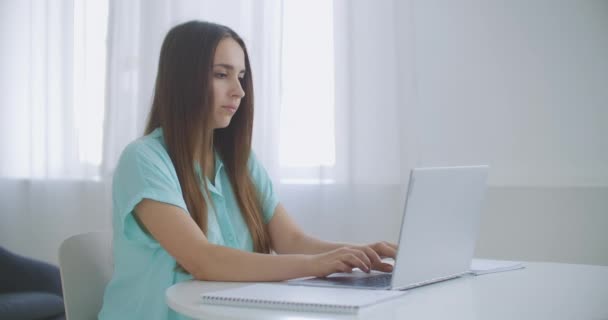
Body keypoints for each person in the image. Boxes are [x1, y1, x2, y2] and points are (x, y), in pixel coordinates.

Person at [98, 20, 397, 320]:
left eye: (241, 76)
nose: (239, 91)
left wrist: (362, 253)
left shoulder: (240, 162)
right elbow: (203, 260)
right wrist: (316, 264)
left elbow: (291, 241)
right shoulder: (143, 160)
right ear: (183, 79)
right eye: (221, 75)